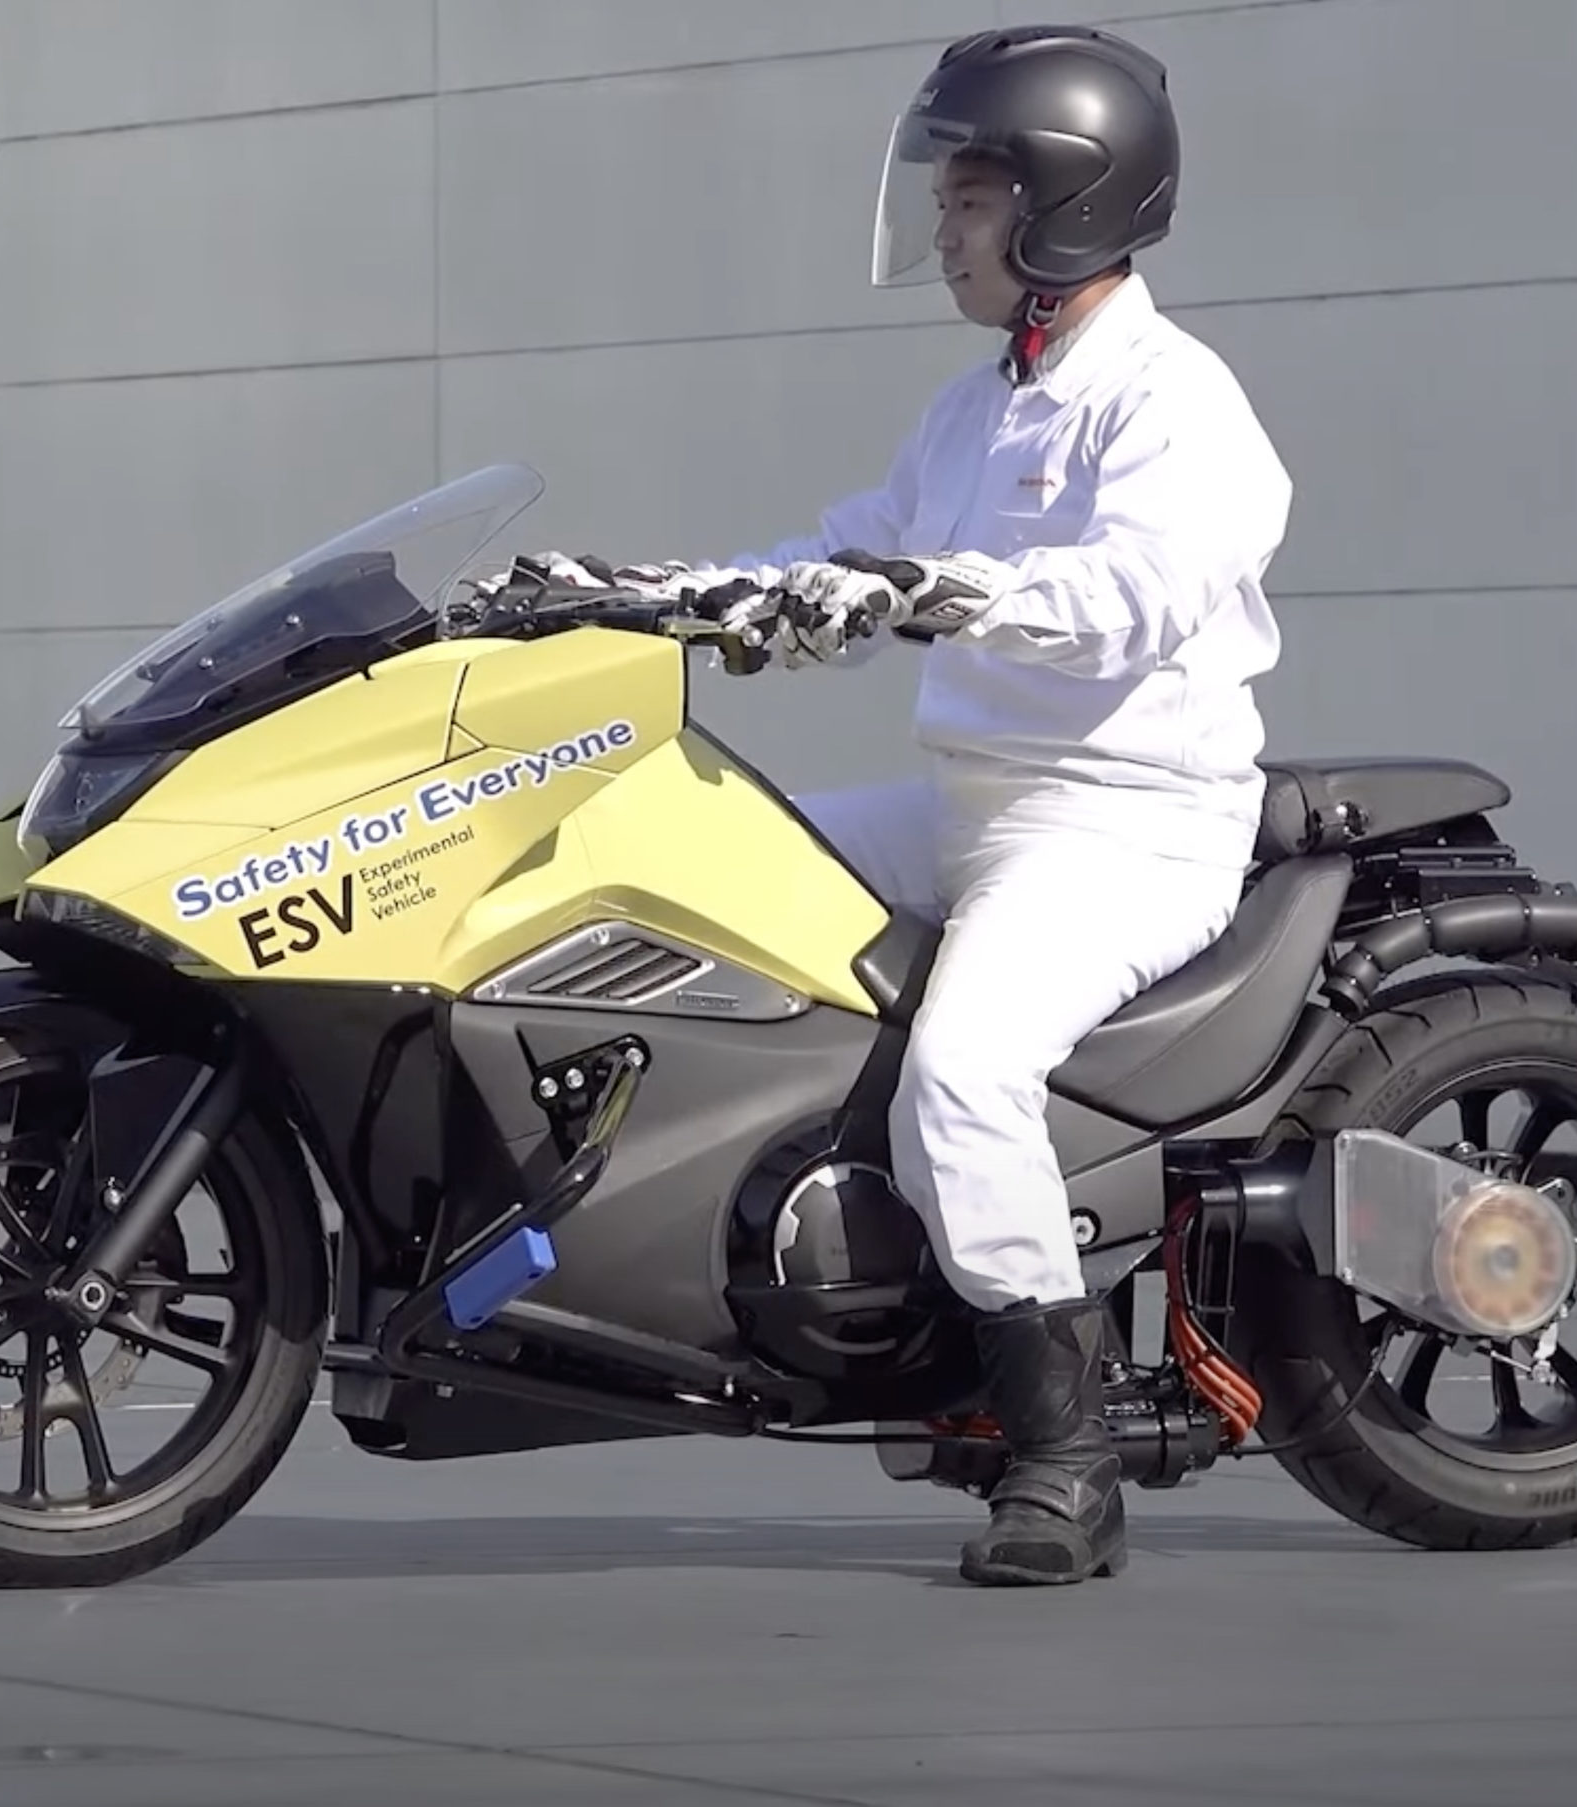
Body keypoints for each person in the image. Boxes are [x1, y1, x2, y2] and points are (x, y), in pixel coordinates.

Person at [492, 24, 1292, 1587]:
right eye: (945, 196)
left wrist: (936, 588)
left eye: (974, 195)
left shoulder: (1178, 405)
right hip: (978, 805)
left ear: (1070, 202)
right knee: (685, 866)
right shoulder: (975, 411)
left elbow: (1131, 599)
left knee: (969, 1081)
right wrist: (636, 596)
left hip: (1121, 825)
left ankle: (1061, 1452)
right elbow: (838, 552)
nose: (943, 227)